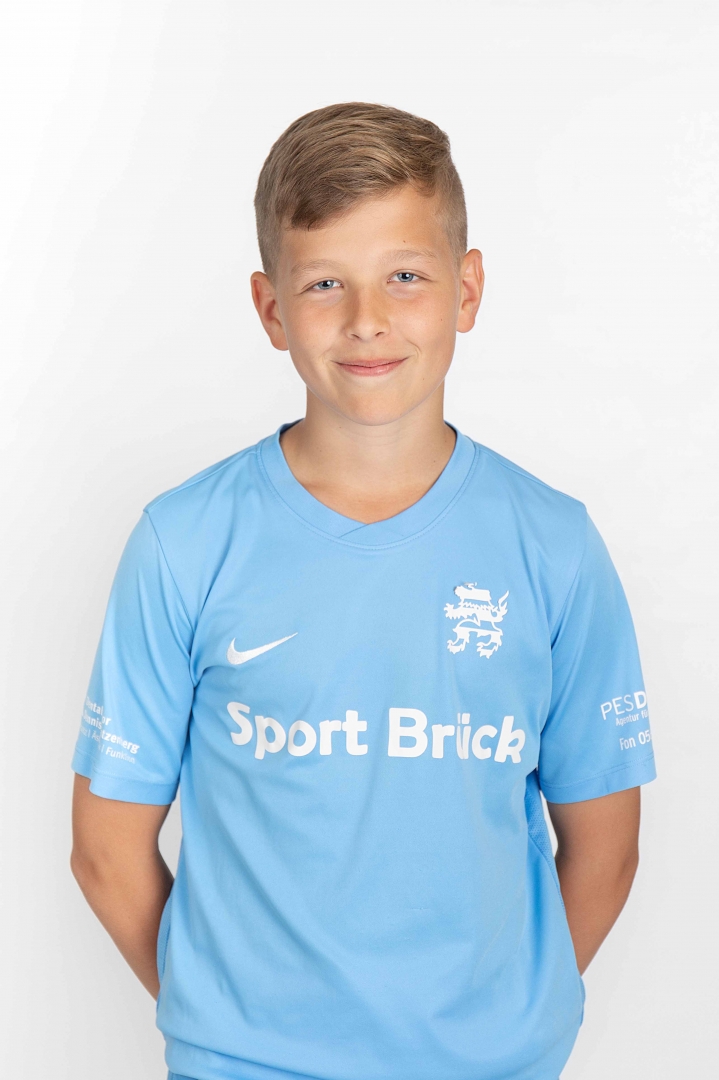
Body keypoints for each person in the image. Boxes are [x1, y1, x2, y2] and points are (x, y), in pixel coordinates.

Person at [70, 102, 656, 1080]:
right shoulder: (185, 542)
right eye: (324, 283)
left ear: (467, 289)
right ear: (271, 310)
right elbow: (105, 848)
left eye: (405, 276)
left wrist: (498, 1025)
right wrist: (230, 1026)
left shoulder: (553, 546)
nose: (366, 319)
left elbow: (605, 846)